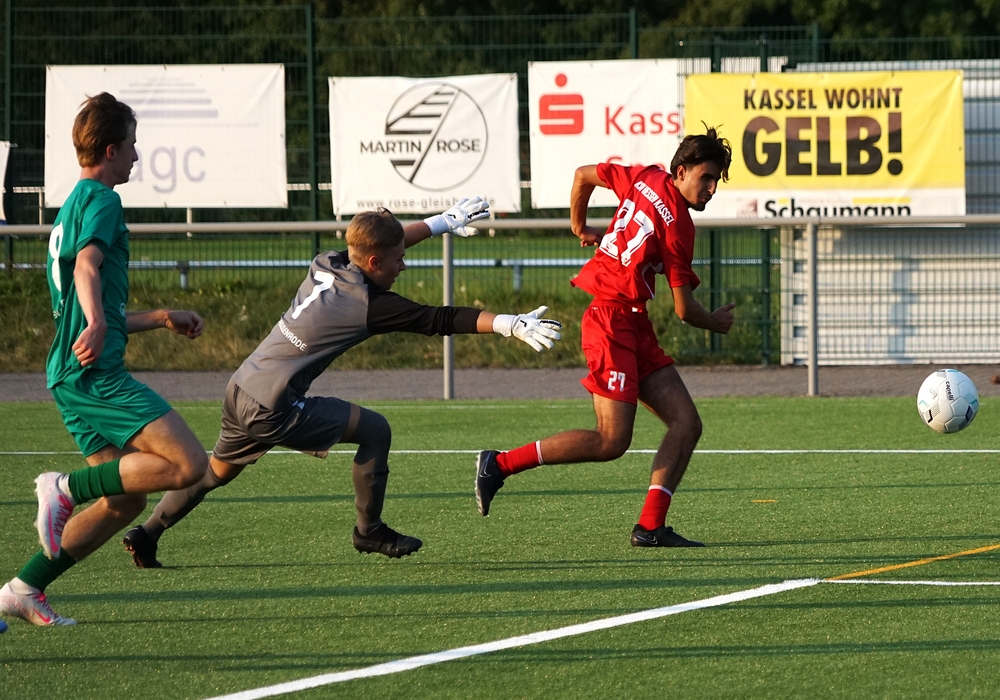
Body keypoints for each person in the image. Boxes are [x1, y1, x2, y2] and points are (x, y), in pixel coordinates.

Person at [121, 202, 562, 568]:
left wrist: (441, 223)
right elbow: (440, 319)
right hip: (273, 406)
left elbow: (382, 244)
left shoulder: (328, 262)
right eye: (398, 260)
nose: (403, 264)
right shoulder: (368, 305)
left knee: (215, 472)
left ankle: (147, 533)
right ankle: (369, 531)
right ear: (374, 264)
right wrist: (508, 323)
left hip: (242, 386)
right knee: (375, 430)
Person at [0, 93, 208, 627]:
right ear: (111, 150)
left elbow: (88, 298)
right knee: (189, 465)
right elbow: (86, 269)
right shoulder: (103, 201)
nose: (137, 156)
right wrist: (95, 324)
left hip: (69, 373)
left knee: (123, 501)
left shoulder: (71, 205)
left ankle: (23, 588)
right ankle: (63, 487)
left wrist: (158, 317)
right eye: (132, 145)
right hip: (94, 375)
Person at [474, 127, 735, 548]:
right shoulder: (680, 228)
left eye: (716, 180)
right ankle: (499, 464)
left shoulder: (646, 176)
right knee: (611, 440)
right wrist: (715, 322)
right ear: (681, 172)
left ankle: (650, 527)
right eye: (706, 178)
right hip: (611, 323)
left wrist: (578, 225)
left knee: (686, 423)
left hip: (632, 323)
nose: (711, 189)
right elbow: (685, 310)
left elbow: (582, 175)